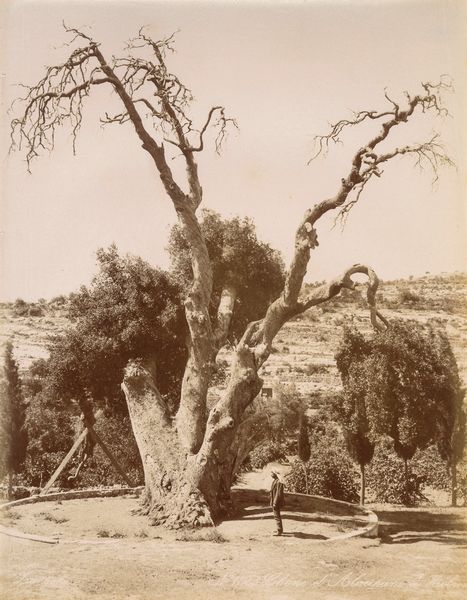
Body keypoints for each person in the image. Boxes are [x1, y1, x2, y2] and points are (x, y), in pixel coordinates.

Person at [270, 470, 285, 536]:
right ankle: (279, 529)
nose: (271, 474)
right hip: (275, 501)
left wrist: (275, 502)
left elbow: (278, 494)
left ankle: (279, 530)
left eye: (272, 473)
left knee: (277, 516)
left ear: (276, 474)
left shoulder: (279, 482)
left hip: (277, 501)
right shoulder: (275, 481)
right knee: (276, 515)